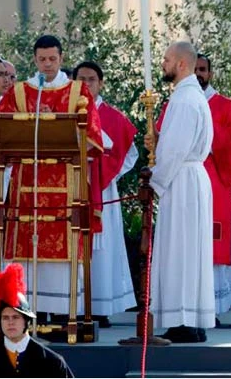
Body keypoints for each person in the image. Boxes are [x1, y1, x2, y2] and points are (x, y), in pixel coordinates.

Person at [0, 35, 103, 317]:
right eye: (42, 59)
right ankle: (28, 312)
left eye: (52, 59)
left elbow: (92, 134)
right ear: (34, 60)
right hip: (26, 182)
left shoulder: (78, 91)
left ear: (61, 59)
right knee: (26, 252)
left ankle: (64, 313)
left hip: (65, 180)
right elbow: (1, 132)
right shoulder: (19, 93)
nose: (47, 65)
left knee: (62, 254)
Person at [145, 41, 214, 343]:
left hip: (182, 179)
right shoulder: (189, 96)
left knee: (181, 249)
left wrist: (154, 181)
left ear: (182, 64)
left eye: (167, 59)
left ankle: (184, 320)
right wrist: (160, 140)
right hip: (189, 177)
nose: (163, 64)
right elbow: (173, 142)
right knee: (189, 249)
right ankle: (191, 319)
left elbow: (174, 150)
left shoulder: (185, 100)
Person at [72, 61, 137, 325]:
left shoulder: (114, 117)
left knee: (104, 251)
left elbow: (130, 154)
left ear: (101, 83)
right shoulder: (67, 113)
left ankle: (101, 306)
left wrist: (106, 175)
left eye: (91, 79)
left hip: (104, 192)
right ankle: (75, 306)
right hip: (73, 186)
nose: (86, 84)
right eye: (81, 79)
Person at [194, 54, 231, 316]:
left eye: (202, 70)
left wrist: (207, 128)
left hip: (216, 183)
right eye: (194, 70)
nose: (198, 74)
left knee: (212, 241)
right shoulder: (176, 103)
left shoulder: (226, 107)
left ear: (210, 74)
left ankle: (213, 306)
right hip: (184, 187)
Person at [0, 263, 73, 377]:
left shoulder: (52, 363)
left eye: (16, 317)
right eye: (5, 318)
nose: (10, 322)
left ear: (26, 321)